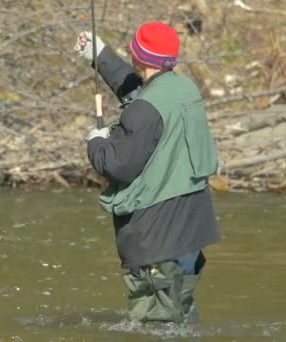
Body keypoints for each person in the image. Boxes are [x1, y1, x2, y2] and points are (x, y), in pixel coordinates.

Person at [74, 22, 221, 323]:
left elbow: (117, 165)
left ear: (137, 56)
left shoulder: (144, 109)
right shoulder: (185, 89)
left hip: (156, 234)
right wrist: (98, 53)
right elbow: (140, 91)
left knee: (154, 320)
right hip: (191, 224)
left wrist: (96, 143)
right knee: (180, 307)